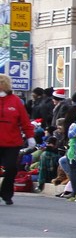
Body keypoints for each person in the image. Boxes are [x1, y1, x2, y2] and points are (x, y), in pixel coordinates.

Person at [0, 74, 35, 205]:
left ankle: (6, 193)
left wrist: (30, 136)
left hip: (12, 142)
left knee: (11, 168)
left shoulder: (15, 101)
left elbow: (25, 121)